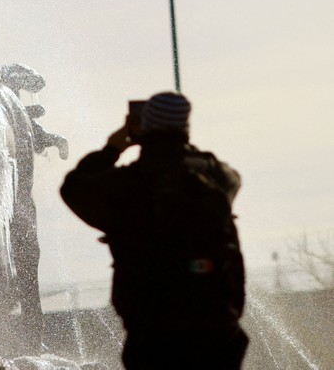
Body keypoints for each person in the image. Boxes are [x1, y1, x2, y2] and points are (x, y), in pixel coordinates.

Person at [60, 92, 248, 369]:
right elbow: (231, 175)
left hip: (151, 335)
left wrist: (113, 148)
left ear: (142, 128)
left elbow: (73, 187)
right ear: (185, 128)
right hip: (216, 331)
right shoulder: (214, 180)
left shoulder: (124, 187)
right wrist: (184, 147)